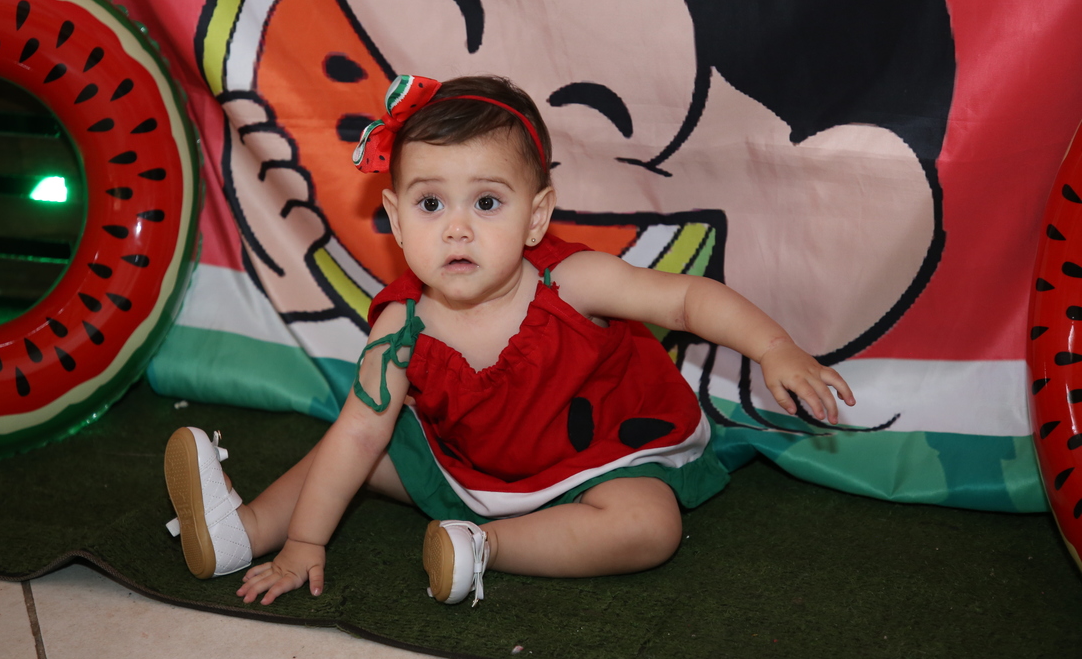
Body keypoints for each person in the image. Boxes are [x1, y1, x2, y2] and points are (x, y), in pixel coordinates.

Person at [164, 74, 855, 607]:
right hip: (470, 467)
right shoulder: (399, 328)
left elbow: (684, 298)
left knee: (651, 527)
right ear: (397, 221)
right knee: (363, 445)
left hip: (596, 458)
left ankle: (480, 547)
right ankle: (247, 531)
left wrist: (772, 347)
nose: (457, 229)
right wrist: (304, 544)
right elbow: (356, 433)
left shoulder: (572, 282)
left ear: (536, 216)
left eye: (487, 203)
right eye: (431, 204)